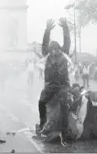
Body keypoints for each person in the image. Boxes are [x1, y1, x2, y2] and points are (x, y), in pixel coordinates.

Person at [37, 18, 71, 146]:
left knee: (64, 106)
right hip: (51, 85)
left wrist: (65, 27)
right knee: (41, 101)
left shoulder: (64, 54)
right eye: (52, 49)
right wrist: (47, 30)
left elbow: (67, 42)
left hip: (63, 85)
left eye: (57, 49)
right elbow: (44, 44)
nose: (54, 51)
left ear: (60, 49)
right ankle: (42, 122)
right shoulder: (47, 55)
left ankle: (65, 132)